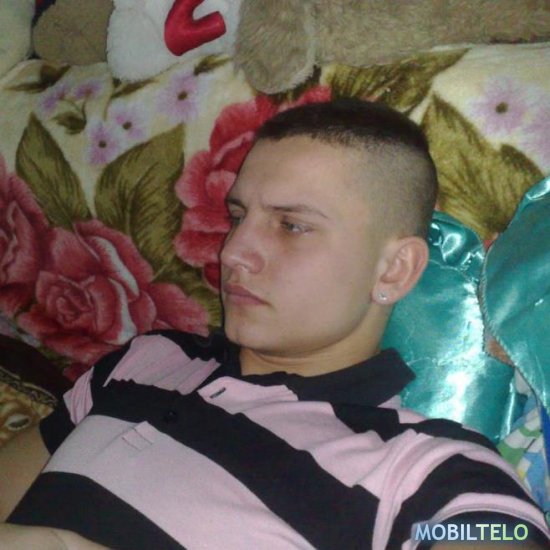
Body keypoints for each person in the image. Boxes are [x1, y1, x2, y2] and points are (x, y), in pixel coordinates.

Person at [0, 99, 548, 549]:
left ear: (394, 269)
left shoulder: (426, 473)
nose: (233, 252)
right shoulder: (146, 359)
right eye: (238, 216)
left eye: (291, 226)